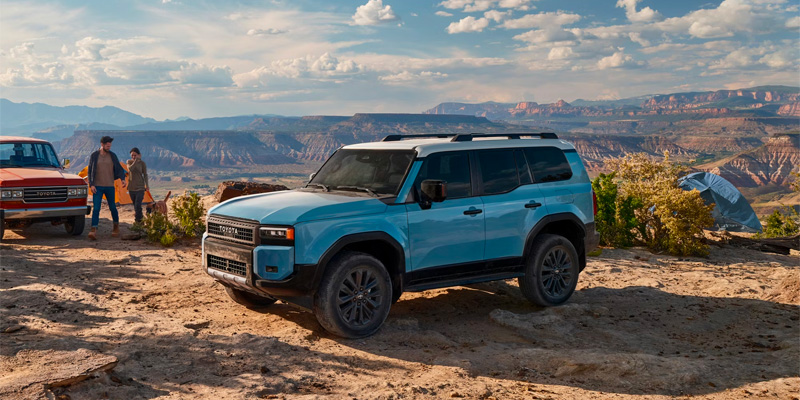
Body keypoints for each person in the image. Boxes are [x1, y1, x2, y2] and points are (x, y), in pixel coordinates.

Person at [87, 136, 127, 240]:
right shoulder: (94, 156)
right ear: (102, 144)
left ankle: (116, 226)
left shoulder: (112, 155)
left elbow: (119, 168)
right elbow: (90, 170)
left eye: (110, 146)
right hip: (97, 186)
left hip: (109, 186)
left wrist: (122, 179)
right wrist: (91, 184)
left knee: (113, 207)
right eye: (107, 146)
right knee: (96, 208)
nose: (109, 147)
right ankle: (93, 230)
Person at [126, 147, 149, 224]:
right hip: (131, 187)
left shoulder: (142, 164)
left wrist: (147, 185)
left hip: (140, 187)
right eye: (132, 155)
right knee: (135, 206)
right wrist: (135, 161)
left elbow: (145, 174)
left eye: (135, 155)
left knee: (137, 205)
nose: (133, 157)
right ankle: (141, 220)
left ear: (139, 155)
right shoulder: (129, 162)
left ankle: (138, 221)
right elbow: (131, 169)